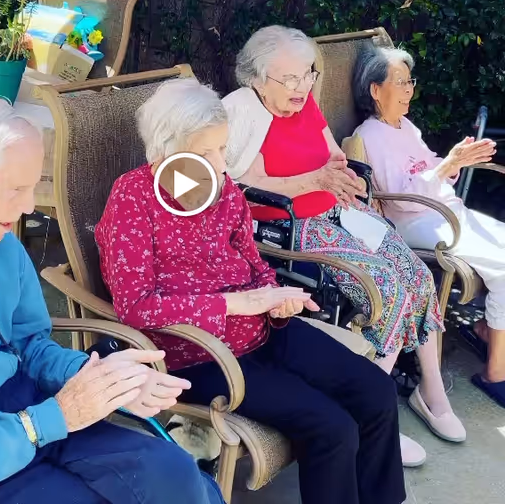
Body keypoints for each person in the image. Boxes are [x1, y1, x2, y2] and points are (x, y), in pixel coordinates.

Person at [0, 95, 223, 504]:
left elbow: (30, 345)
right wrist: (55, 417)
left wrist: (103, 379)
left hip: (25, 406)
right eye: (17, 188)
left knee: (174, 474)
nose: (29, 206)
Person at [95, 78, 406, 504]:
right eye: (206, 153)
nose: (221, 166)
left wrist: (276, 298)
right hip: (198, 353)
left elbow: (254, 262)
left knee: (377, 391)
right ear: (166, 150)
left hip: (264, 330)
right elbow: (135, 308)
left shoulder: (223, 192)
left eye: (223, 149)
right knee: (332, 427)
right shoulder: (132, 198)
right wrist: (236, 303)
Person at [222, 25, 466, 464]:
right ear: (256, 79)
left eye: (308, 75)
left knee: (415, 274)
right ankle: (373, 415)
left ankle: (431, 392)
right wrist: (313, 181)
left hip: (338, 212)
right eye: (290, 79)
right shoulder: (242, 112)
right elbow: (245, 187)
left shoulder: (305, 105)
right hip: (292, 229)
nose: (303, 87)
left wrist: (345, 176)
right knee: (387, 287)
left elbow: (333, 154)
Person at [352, 42, 505, 408]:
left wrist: (454, 160)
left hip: (445, 211)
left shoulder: (406, 126)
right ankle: (495, 373)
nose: (409, 90)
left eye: (410, 81)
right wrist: (444, 167)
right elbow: (398, 198)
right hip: (417, 221)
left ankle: (486, 329)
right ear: (375, 90)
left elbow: (428, 167)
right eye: (400, 82)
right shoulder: (368, 135)